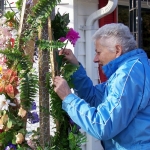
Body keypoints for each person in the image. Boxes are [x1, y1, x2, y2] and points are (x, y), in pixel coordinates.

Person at [53, 23, 150, 150]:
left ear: (117, 50)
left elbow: (104, 126)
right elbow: (94, 98)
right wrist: (75, 67)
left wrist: (68, 98)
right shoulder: (129, 69)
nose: (95, 59)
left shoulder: (129, 74)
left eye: (98, 52)